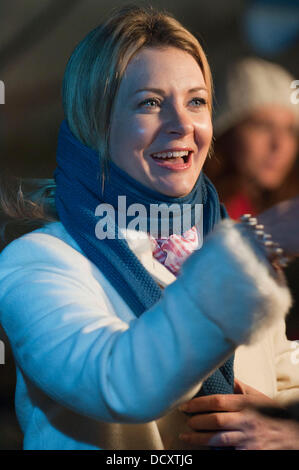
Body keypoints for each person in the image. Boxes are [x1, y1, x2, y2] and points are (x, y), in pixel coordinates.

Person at [0, 5, 298, 451]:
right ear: (96, 123)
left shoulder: (230, 245)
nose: (183, 125)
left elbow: (286, 380)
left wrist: (288, 430)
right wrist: (246, 259)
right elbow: (119, 384)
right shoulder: (37, 261)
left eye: (196, 101)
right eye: (151, 103)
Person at [204, 57, 299, 220]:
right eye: (263, 126)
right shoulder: (198, 215)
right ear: (227, 132)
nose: (279, 144)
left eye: (290, 130)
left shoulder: (286, 213)